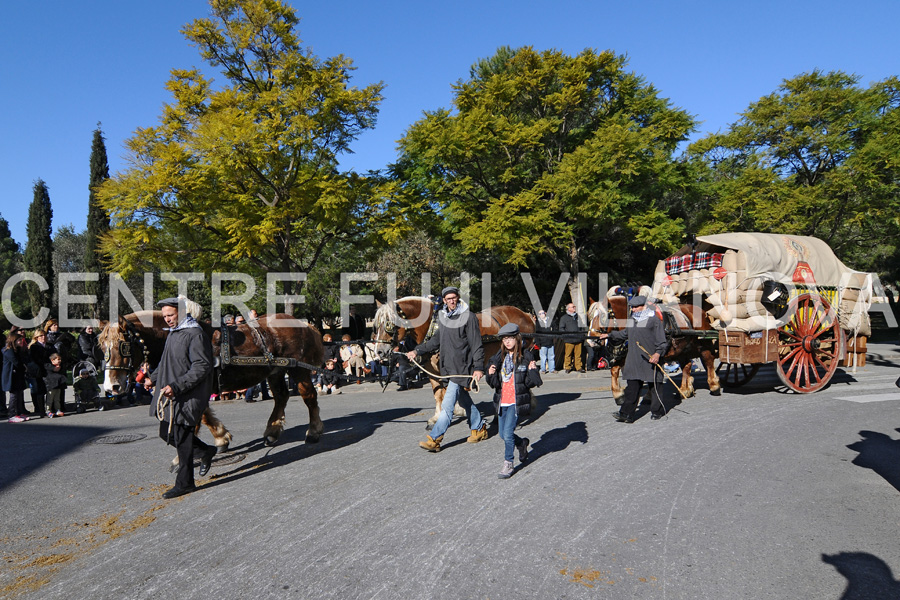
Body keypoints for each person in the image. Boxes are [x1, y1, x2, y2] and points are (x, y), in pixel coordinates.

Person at [144, 297, 217, 499]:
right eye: (165, 316)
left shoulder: (195, 334)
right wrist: (153, 378)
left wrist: (176, 387)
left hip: (186, 396)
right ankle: (205, 450)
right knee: (166, 433)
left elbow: (202, 367)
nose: (167, 319)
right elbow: (166, 362)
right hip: (171, 395)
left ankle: (185, 483)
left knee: (183, 440)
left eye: (171, 315)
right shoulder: (174, 333)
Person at [407, 286, 488, 452]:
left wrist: (478, 367)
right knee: (465, 400)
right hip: (448, 369)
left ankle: (435, 438)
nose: (451, 301)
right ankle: (479, 428)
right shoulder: (443, 317)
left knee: (447, 406)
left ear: (458, 298)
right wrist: (417, 350)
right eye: (448, 298)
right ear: (444, 300)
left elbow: (476, 344)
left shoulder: (468, 317)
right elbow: (436, 341)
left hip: (462, 368)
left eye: (454, 297)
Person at [596, 295, 669, 423]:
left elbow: (662, 341)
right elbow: (624, 334)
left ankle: (657, 411)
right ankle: (626, 414)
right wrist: (609, 335)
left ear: (644, 306)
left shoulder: (654, 320)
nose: (633, 309)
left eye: (636, 307)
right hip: (634, 359)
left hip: (650, 359)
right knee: (632, 388)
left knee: (655, 386)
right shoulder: (632, 320)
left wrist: (658, 354)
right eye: (632, 307)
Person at [485, 323, 542, 479]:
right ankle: (522, 444)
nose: (507, 342)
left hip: (516, 402)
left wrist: (532, 371)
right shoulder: (498, 358)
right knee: (503, 435)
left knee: (508, 434)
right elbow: (494, 384)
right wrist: (490, 374)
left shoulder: (526, 356)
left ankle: (508, 463)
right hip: (502, 401)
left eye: (510, 338)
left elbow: (531, 383)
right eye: (504, 339)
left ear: (517, 338)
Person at [3, 333, 30, 422]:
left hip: (18, 375)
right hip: (12, 376)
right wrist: (24, 367)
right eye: (19, 340)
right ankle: (12, 415)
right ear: (13, 341)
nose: (21, 342)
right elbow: (16, 362)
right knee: (14, 395)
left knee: (20, 394)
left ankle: (19, 413)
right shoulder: (9, 350)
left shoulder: (17, 350)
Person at [27, 330, 49, 417]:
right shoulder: (34, 347)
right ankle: (41, 410)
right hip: (39, 371)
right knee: (40, 391)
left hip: (48, 370)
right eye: (41, 336)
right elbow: (36, 360)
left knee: (48, 390)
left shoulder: (49, 345)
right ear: (36, 338)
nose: (43, 337)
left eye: (44, 335)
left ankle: (50, 408)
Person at [558, 303, 584, 373]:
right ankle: (567, 367)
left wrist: (581, 335)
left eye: (574, 306)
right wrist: (566, 335)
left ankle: (578, 367)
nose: (574, 308)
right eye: (573, 307)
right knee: (568, 354)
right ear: (568, 309)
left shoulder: (577, 317)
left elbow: (581, 327)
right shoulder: (564, 318)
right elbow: (561, 328)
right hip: (569, 339)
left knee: (578, 355)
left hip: (578, 339)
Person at [43, 353, 67, 417]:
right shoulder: (49, 367)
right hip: (51, 386)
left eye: (60, 359)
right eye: (58, 359)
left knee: (57, 399)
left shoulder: (60, 367)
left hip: (58, 385)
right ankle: (48, 410)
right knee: (50, 399)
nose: (59, 361)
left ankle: (58, 409)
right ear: (52, 360)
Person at [535, 310, 557, 374]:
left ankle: (552, 369)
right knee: (543, 357)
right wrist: (538, 343)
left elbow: (555, 329)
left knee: (551, 356)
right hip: (542, 343)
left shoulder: (550, 321)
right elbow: (536, 333)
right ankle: (543, 369)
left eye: (543, 313)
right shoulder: (538, 323)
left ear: (545, 313)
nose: (542, 314)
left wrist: (554, 339)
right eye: (540, 314)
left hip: (550, 341)